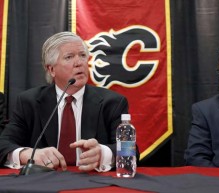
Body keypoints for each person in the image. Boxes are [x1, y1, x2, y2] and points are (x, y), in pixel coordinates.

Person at [0, 31, 138, 172]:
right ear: (51, 69)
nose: (79, 63)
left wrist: (103, 154)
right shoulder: (29, 102)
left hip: (91, 181)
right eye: (69, 57)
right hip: (44, 182)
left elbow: (131, 151)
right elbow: (3, 144)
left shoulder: (112, 102)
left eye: (83, 56)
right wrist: (27, 154)